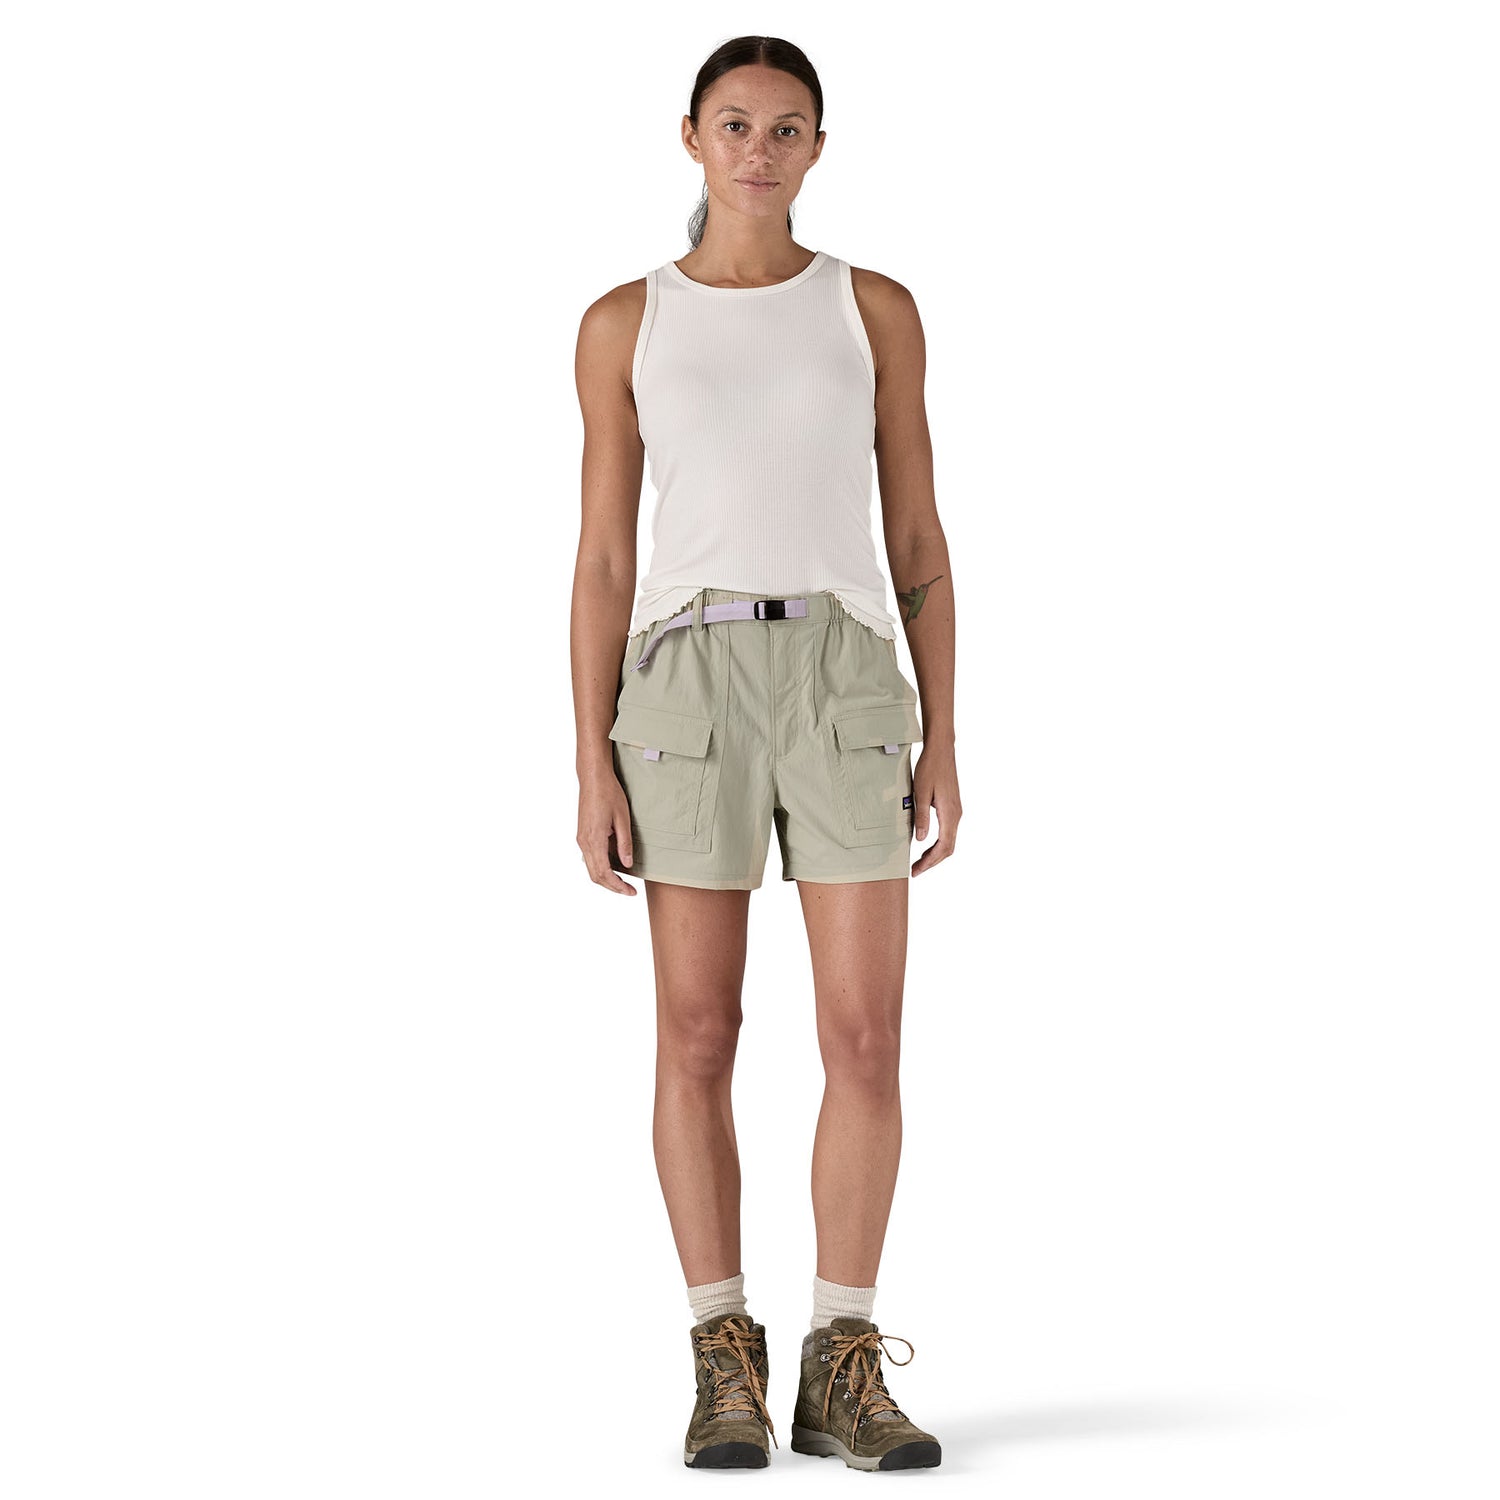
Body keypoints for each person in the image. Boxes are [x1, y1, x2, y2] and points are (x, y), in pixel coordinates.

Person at [570, 35, 961, 1473]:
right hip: (686, 682)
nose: (758, 150)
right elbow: (603, 557)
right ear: (691, 138)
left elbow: (916, 533)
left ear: (817, 149)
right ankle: (721, 1359)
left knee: (865, 1036)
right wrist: (590, 759)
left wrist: (945, 728)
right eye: (733, 125)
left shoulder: (873, 310)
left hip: (845, 676)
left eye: (786, 128)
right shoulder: (628, 321)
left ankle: (842, 1362)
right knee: (697, 1031)